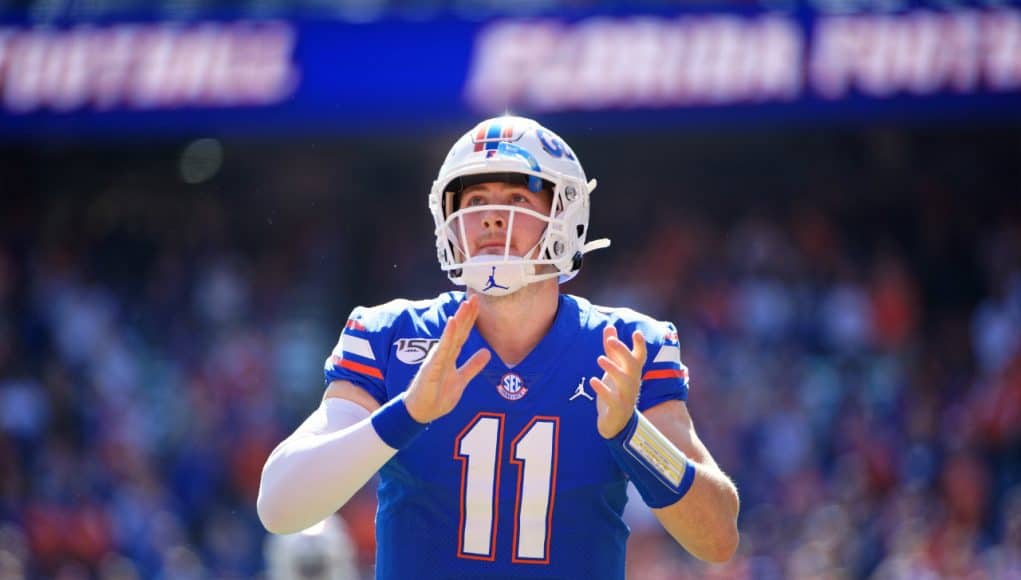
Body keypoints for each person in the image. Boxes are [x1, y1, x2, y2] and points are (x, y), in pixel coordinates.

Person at [257, 116, 740, 578]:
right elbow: (279, 505)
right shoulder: (390, 334)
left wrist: (631, 433)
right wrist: (406, 413)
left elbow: (717, 538)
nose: (491, 216)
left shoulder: (624, 346)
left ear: (565, 215)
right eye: (476, 199)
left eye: (516, 197)